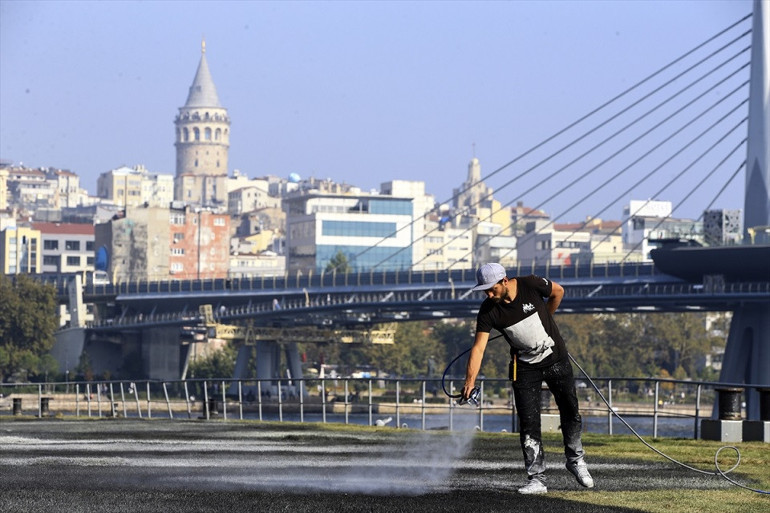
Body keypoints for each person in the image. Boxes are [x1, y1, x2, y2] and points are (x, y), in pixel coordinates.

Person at [461, 262, 594, 495]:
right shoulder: (488, 311)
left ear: (504, 281)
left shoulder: (530, 284)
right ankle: (537, 479)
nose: (488, 294)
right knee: (529, 422)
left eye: (492, 289)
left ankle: (575, 460)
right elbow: (479, 348)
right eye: (484, 291)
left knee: (570, 410)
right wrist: (469, 382)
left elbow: (558, 291)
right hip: (524, 368)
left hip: (556, 359)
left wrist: (547, 317)